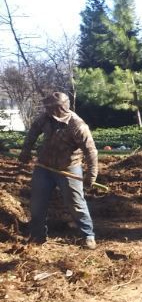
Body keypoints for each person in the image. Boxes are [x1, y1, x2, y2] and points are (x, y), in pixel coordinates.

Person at [18, 92, 99, 249]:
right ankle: (37, 236)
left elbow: (91, 151)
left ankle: (88, 236)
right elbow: (33, 131)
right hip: (44, 167)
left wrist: (91, 174)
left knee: (76, 203)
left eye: (49, 107)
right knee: (37, 203)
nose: (46, 110)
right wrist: (25, 150)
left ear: (60, 108)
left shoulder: (77, 125)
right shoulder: (45, 118)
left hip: (68, 168)